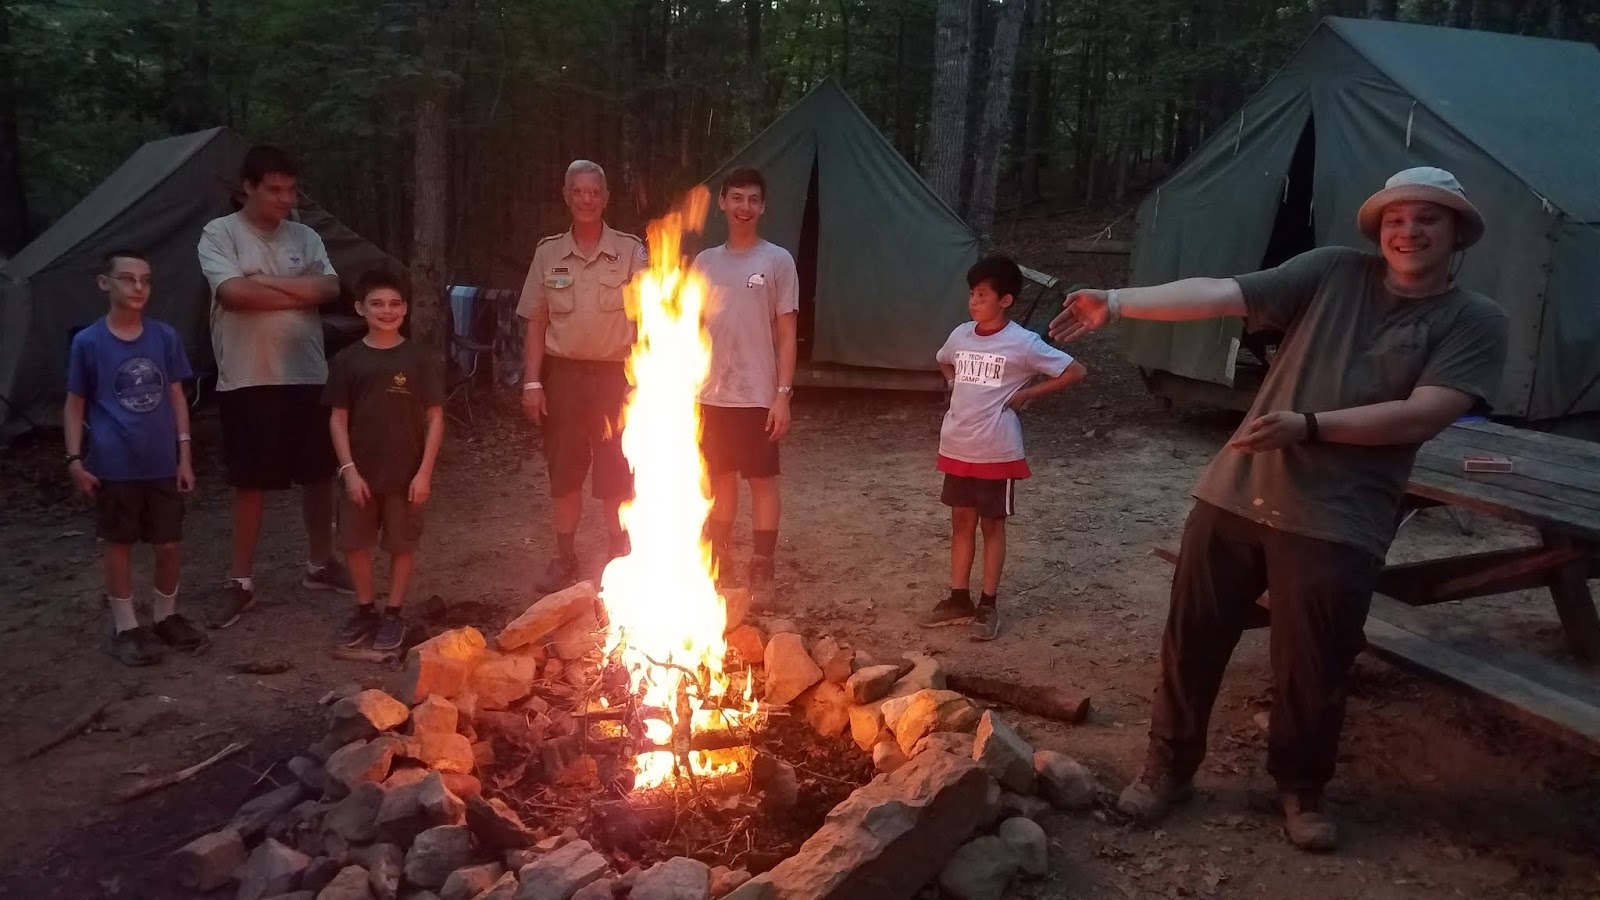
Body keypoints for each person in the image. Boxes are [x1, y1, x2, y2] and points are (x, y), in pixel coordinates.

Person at [1048, 167, 1509, 851]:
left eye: (1427, 220)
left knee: (1312, 664)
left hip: (1338, 515)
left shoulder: (1475, 320)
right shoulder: (1333, 273)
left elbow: (1424, 414)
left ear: (1457, 232)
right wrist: (1117, 301)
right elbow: (1221, 294)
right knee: (1193, 640)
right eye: (1396, 219)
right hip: (1236, 490)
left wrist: (1311, 426)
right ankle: (1167, 768)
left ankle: (1300, 788)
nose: (1409, 231)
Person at [198, 145, 352, 629]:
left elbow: (330, 289)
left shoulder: (304, 236)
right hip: (248, 375)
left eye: (291, 189)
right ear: (248, 187)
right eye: (274, 189)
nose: (285, 199)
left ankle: (320, 564)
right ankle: (240, 582)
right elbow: (232, 294)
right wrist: (293, 287)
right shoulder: (220, 234)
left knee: (318, 473)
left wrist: (263, 284)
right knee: (251, 480)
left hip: (307, 371)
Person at [922, 255, 1086, 641]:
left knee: (992, 525)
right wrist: (952, 384)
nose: (973, 302)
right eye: (972, 294)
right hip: (958, 446)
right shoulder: (961, 334)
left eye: (982, 294)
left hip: (996, 450)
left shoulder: (1023, 343)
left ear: (1005, 300)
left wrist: (1028, 393)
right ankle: (958, 598)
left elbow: (1074, 370)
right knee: (961, 522)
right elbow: (944, 361)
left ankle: (988, 605)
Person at [64, 252, 206, 665]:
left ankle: (166, 615)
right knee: (119, 543)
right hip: (114, 462)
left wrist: (185, 455)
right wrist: (75, 460)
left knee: (168, 544)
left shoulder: (163, 337)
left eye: (145, 280)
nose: (138, 287)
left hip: (162, 461)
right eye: (127, 279)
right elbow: (75, 404)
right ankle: (126, 625)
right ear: (105, 283)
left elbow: (177, 396)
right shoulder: (88, 342)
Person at [518, 160, 648, 593]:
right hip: (565, 379)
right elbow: (535, 322)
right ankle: (565, 556)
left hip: (617, 378)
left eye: (595, 192)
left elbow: (654, 315)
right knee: (565, 469)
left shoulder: (630, 251)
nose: (587, 200)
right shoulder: (548, 253)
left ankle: (618, 549)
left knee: (618, 467)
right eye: (579, 192)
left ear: (606, 199)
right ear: (567, 196)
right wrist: (533, 383)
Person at [690, 167, 799, 595]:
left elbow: (787, 334)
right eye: (736, 198)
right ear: (722, 202)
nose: (744, 207)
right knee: (718, 479)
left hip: (758, 394)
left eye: (753, 199)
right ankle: (719, 558)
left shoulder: (776, 260)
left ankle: (762, 565)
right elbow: (689, 328)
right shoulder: (705, 263)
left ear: (763, 206)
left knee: (761, 481)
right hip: (711, 394)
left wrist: (782, 395)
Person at [324, 269, 445, 651]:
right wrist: (348, 472)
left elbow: (436, 417)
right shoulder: (347, 360)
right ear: (361, 308)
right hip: (360, 473)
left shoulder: (418, 358)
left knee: (401, 544)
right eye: (377, 304)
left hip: (405, 474)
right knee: (354, 544)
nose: (386, 311)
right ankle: (365, 609)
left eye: (394, 304)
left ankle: (393, 613)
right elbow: (337, 418)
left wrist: (424, 473)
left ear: (405, 309)